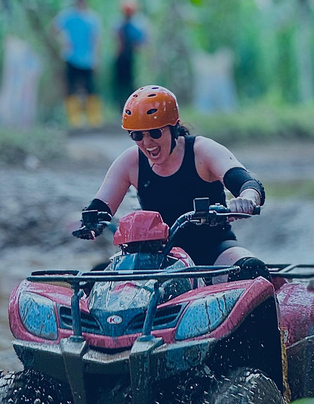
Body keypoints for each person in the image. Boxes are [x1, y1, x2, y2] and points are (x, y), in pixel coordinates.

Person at [72, 85, 269, 280]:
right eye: (137, 135)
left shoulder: (202, 151)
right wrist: (91, 223)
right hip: (158, 258)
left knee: (251, 271)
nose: (147, 143)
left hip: (214, 250)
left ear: (174, 127)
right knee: (95, 281)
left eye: (155, 133)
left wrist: (247, 199)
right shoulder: (131, 161)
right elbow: (101, 206)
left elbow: (247, 183)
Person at [53, 0, 102, 128]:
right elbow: (54, 30)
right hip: (71, 57)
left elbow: (95, 40)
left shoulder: (92, 18)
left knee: (91, 89)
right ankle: (75, 121)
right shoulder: (67, 16)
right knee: (71, 89)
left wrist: (96, 58)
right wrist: (63, 43)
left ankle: (94, 120)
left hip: (88, 60)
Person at [113, 2, 148, 108]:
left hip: (132, 58)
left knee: (132, 83)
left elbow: (142, 42)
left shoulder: (137, 25)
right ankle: (121, 106)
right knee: (119, 83)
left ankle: (133, 105)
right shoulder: (118, 24)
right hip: (121, 58)